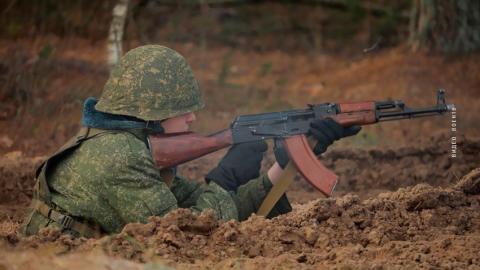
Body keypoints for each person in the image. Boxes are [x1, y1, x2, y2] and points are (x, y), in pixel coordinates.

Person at [21, 45, 360, 238]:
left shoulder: (130, 145)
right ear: (149, 114)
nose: (192, 119)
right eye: (181, 111)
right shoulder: (119, 156)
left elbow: (199, 205)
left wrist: (281, 166)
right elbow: (183, 232)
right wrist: (225, 177)